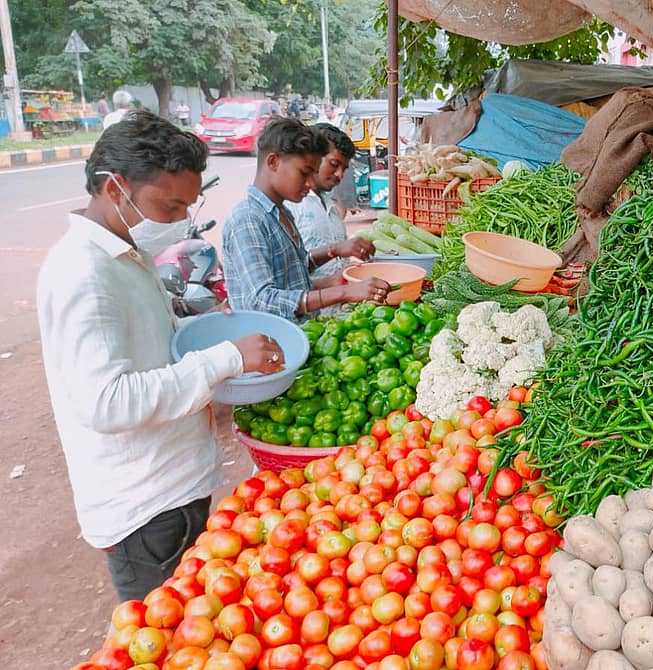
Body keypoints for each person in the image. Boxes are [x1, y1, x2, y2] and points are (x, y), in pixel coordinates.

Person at [36, 111, 283, 602]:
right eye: (169, 207)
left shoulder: (125, 250)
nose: (178, 222)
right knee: (167, 636)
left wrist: (214, 330)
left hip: (173, 486)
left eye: (187, 207)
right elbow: (106, 402)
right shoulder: (85, 275)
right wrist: (225, 359)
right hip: (145, 509)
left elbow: (151, 341)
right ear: (115, 188)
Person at [222, 118, 390, 322]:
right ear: (273, 162)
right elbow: (262, 301)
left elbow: (295, 270)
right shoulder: (248, 219)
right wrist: (345, 293)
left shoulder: (282, 213)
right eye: (304, 173)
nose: (310, 183)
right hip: (273, 344)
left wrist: (334, 259)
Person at [284, 123, 356, 281]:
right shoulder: (290, 206)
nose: (340, 175)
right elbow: (288, 274)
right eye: (334, 165)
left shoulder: (332, 206)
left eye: (344, 169)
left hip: (340, 304)